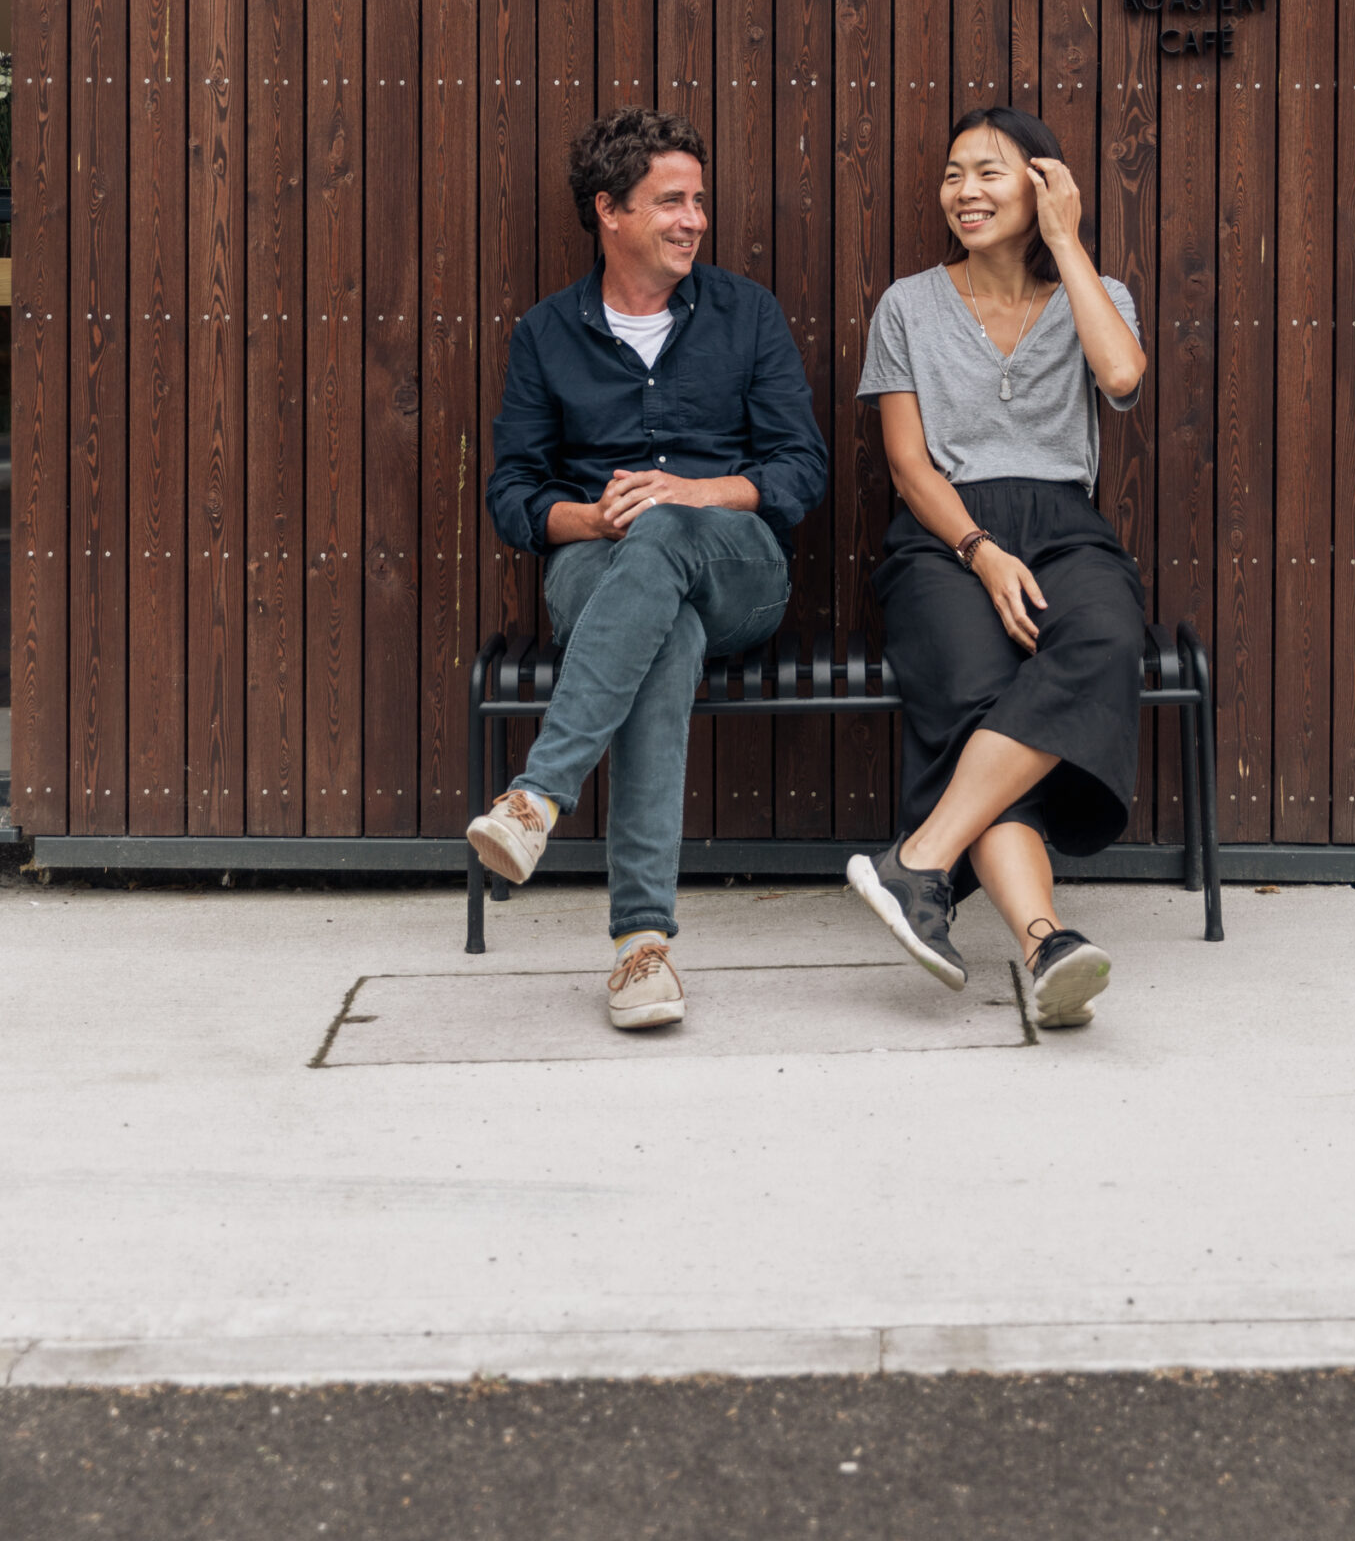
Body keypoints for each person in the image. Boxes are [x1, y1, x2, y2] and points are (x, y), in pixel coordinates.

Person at [473, 107, 828, 1031]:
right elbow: (513, 493)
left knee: (666, 536)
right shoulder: (545, 335)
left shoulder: (746, 314)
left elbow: (800, 469)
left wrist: (694, 495)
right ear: (609, 211)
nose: (693, 218)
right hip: (597, 565)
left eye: (699, 200)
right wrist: (589, 516)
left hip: (736, 566)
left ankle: (540, 793)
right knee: (660, 633)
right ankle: (642, 950)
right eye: (670, 201)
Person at [846, 107, 1148, 1029]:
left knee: (1103, 634)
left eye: (989, 173)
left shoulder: (1101, 293)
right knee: (981, 700)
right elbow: (908, 464)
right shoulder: (906, 303)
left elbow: (1122, 378)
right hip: (945, 534)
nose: (964, 192)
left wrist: (1067, 242)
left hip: (1063, 521)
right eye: (952, 175)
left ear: (1041, 183)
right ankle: (1045, 941)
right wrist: (980, 552)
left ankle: (920, 859)